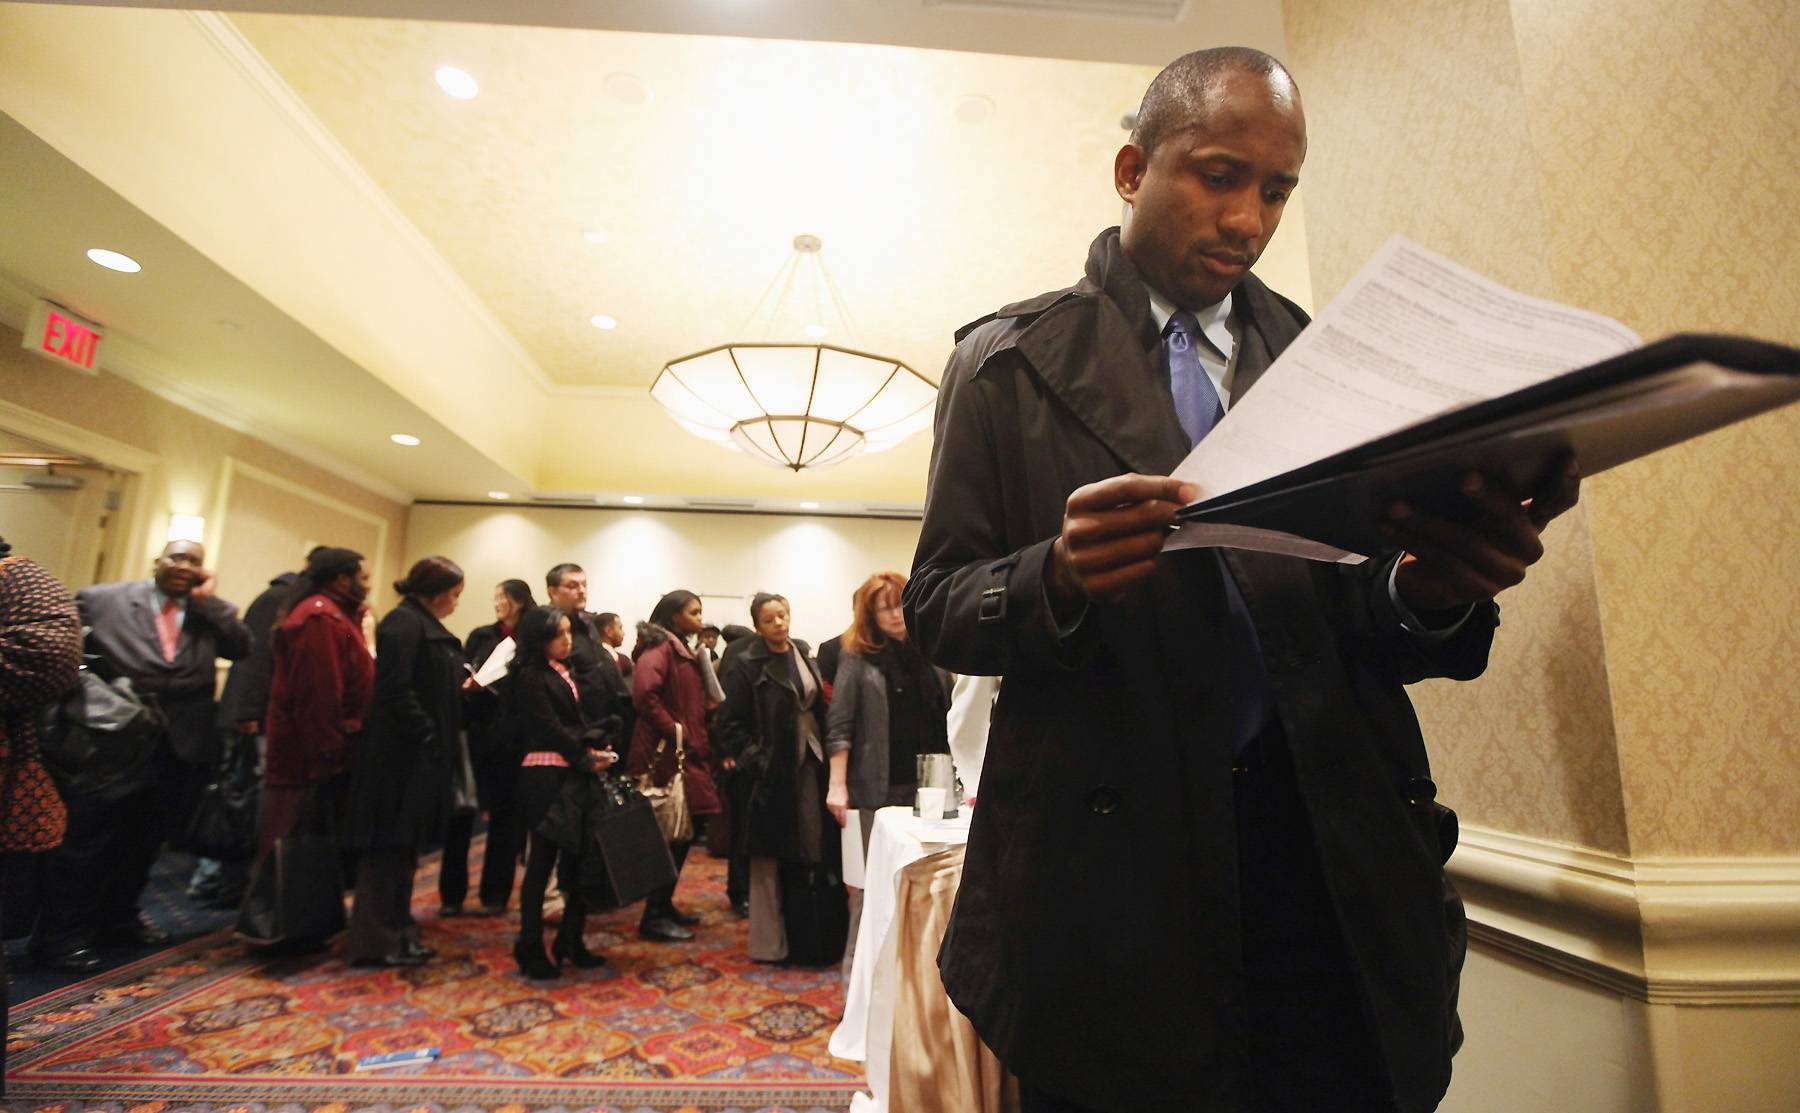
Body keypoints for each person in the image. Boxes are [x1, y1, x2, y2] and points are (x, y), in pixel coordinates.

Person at [903, 48, 1580, 1113]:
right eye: (1220, 176)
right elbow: (935, 603)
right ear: (1133, 171)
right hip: (1115, 883)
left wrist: (1433, 591)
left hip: (1331, 856)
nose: (1247, 219)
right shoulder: (1005, 364)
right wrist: (1058, 576)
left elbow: (1357, 601)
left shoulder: (1329, 361)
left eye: (1276, 191)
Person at [43, 540, 251, 960]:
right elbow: (66, 653)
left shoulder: (210, 613)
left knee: (145, 841)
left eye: (193, 561)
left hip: (179, 747)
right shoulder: (102, 599)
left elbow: (242, 647)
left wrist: (207, 602)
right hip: (114, 739)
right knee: (90, 842)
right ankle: (63, 936)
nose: (183, 565)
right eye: (176, 557)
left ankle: (121, 919)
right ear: (157, 561)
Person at [824, 571, 951, 971]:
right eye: (884, 608)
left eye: (899, 604)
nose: (895, 614)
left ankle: (911, 977)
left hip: (929, 790)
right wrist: (837, 785)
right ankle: (857, 978)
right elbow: (840, 725)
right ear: (870, 615)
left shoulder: (930, 652)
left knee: (924, 883)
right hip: (873, 788)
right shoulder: (856, 658)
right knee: (868, 887)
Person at [342, 556, 466, 966]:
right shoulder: (403, 624)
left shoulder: (417, 623)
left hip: (418, 756)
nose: (456, 603)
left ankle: (398, 930)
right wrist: (427, 732)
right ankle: (376, 939)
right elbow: (395, 689)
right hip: (399, 760)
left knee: (404, 850)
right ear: (436, 592)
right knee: (387, 850)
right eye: (454, 594)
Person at [252, 547, 373, 947]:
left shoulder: (336, 614)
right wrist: (327, 750)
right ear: (341, 579)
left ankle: (307, 924)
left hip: (324, 750)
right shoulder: (318, 618)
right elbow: (318, 693)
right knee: (290, 839)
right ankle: (279, 927)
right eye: (363, 577)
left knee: (312, 841)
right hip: (306, 756)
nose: (369, 584)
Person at [716, 593, 831, 962]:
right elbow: (729, 724)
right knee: (768, 856)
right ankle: (769, 944)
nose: (779, 623)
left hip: (809, 762)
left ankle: (804, 934)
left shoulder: (802, 653)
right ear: (757, 626)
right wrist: (758, 761)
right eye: (770, 619)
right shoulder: (746, 663)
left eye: (783, 615)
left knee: (809, 846)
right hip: (770, 773)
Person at [508, 604, 619, 978]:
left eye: (569, 632)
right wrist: (585, 758)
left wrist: (592, 747)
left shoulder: (563, 671)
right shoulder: (529, 675)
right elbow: (547, 727)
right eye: (558, 634)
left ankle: (571, 939)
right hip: (545, 775)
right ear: (538, 638)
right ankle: (530, 945)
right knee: (542, 862)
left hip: (570, 771)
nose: (566, 640)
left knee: (580, 860)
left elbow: (569, 724)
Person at [202, 552, 315, 907]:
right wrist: (249, 713)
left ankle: (231, 878)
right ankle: (223, 880)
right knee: (243, 800)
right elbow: (254, 659)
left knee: (250, 797)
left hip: (262, 716)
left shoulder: (295, 600)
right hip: (256, 719)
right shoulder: (278, 598)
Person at [627, 589, 723, 942]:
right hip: (667, 755)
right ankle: (654, 914)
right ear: (673, 616)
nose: (700, 618)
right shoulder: (660, 648)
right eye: (693, 612)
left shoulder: (680, 648)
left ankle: (663, 906)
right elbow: (644, 694)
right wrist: (677, 730)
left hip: (683, 751)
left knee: (682, 832)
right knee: (671, 834)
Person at [441, 578, 534, 917]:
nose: (496, 603)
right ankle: (451, 895)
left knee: (505, 820)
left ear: (518, 601)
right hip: (477, 733)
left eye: (502, 597)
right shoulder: (482, 636)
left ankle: (495, 894)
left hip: (511, 740)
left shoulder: (530, 640)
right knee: (461, 816)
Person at [546, 565, 632, 737]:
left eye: (584, 585)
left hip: (610, 719)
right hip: (583, 727)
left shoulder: (588, 622)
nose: (581, 591)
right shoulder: (547, 628)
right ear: (553, 592)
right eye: (572, 586)